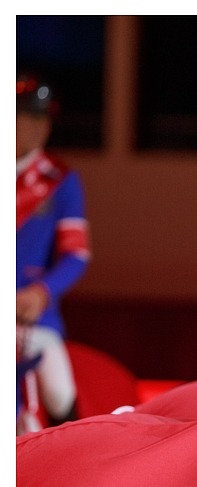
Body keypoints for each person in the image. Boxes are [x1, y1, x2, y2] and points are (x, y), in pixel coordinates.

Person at [16, 73, 91, 432]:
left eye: (43, 119)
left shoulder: (60, 180)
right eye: (28, 117)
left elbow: (76, 254)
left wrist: (40, 293)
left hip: (35, 317)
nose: (38, 127)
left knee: (60, 393)